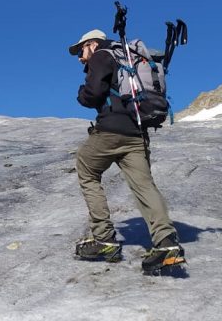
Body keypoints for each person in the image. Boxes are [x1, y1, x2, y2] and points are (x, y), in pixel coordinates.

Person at [68, 29, 184, 274]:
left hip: (110, 131)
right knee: (144, 186)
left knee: (87, 170)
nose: (80, 57)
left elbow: (93, 95)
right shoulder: (129, 56)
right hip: (137, 133)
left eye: (81, 50)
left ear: (92, 44)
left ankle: (103, 239)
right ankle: (166, 243)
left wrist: (82, 92)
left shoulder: (102, 55)